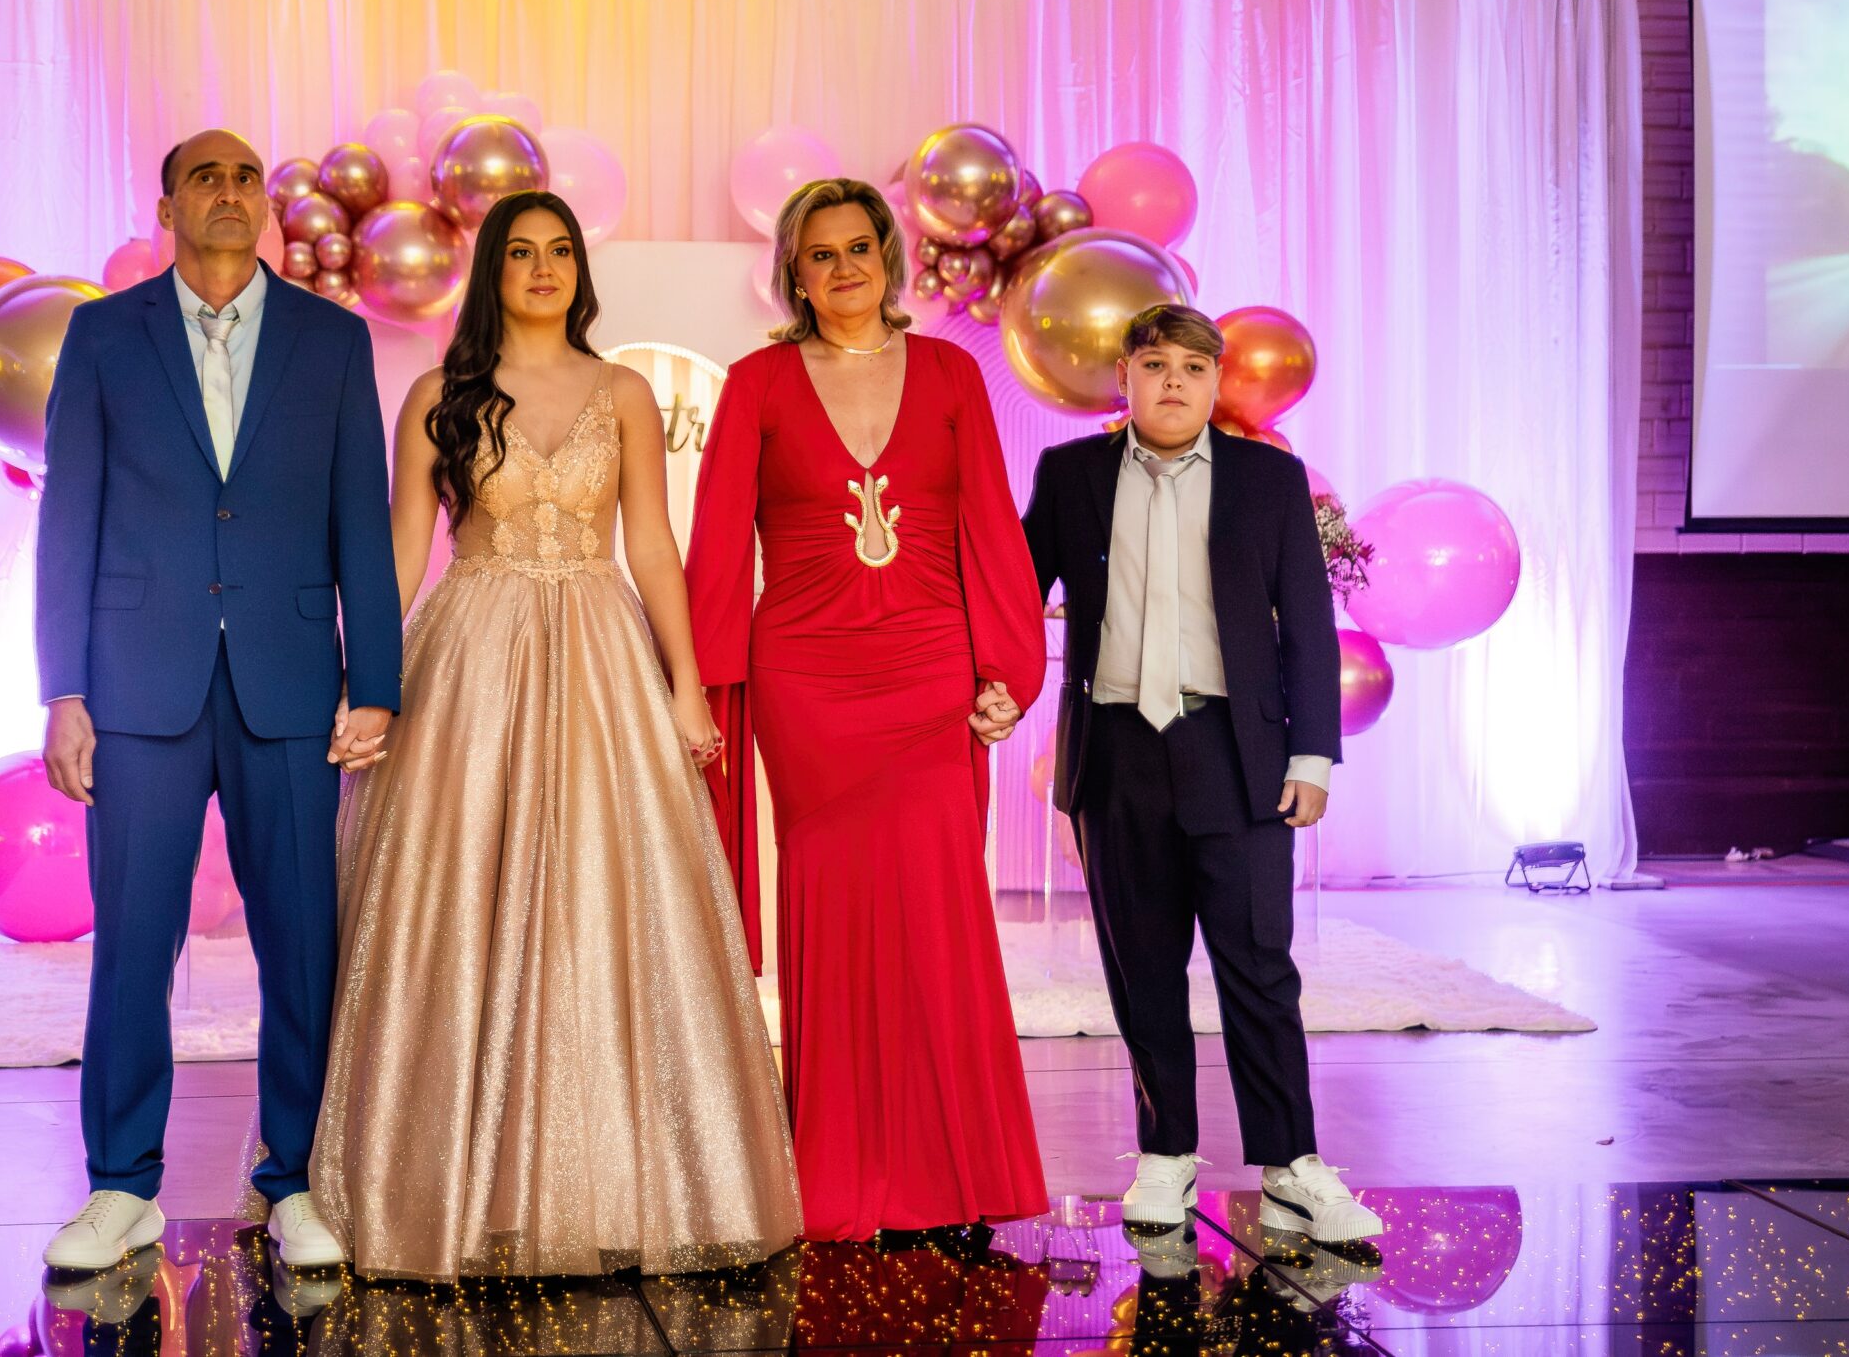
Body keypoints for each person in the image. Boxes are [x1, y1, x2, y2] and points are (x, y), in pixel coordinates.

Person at [308, 190, 800, 1281]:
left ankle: (610, 1180)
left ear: (580, 269)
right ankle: (444, 1177)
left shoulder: (622, 391)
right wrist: (365, 680)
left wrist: (685, 686)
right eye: (522, 252)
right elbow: (400, 551)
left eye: (561, 251)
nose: (544, 268)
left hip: (599, 648)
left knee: (600, 894)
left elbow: (652, 546)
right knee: (458, 896)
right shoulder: (438, 394)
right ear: (493, 270)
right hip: (470, 653)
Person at [34, 129, 400, 1273]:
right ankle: (120, 1187)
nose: (230, 192)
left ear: (265, 206)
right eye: (207, 177)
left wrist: (375, 683)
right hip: (136, 685)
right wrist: (63, 690)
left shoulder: (333, 341)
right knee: (132, 945)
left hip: (289, 684)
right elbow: (67, 515)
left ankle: (296, 1179)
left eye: (246, 177)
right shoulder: (104, 334)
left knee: (301, 945)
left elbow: (361, 516)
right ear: (168, 207)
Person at [685, 176, 1047, 1242]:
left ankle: (952, 1171)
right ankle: (841, 1175)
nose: (843, 267)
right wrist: (702, 689)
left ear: (887, 256)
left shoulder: (951, 373)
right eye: (821, 253)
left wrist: (1007, 670)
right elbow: (718, 546)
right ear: (794, 273)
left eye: (859, 247)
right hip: (807, 682)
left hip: (931, 672)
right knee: (833, 909)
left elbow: (991, 523)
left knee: (939, 912)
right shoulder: (755, 382)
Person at [1018, 303, 1381, 1247]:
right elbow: (1014, 594)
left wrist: (1313, 756)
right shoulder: (1071, 475)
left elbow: (1309, 624)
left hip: (1237, 752)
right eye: (1154, 364)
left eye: (1191, 365)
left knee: (1258, 963)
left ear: (1216, 381)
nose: (1173, 380)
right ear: (1126, 379)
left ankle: (1291, 1164)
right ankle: (1165, 1154)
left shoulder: (1269, 480)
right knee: (1142, 968)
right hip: (1115, 752)